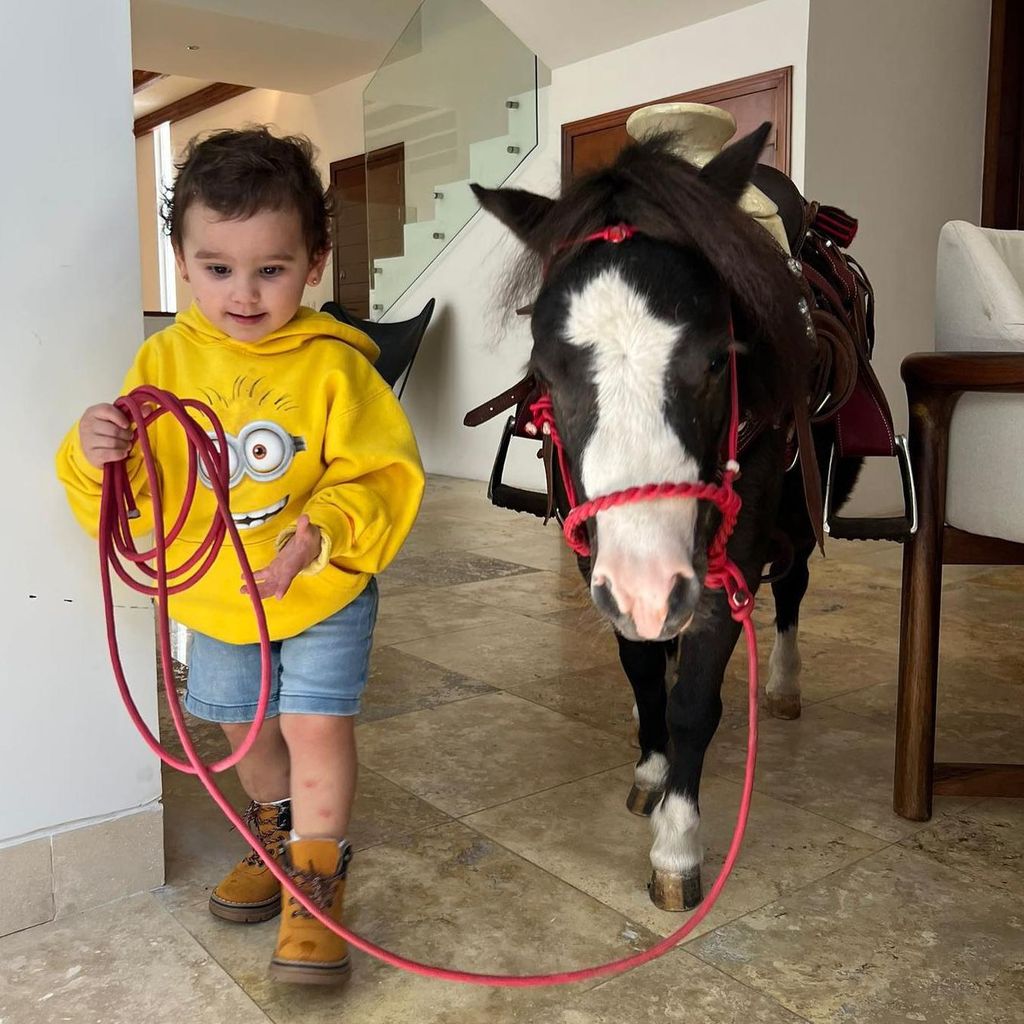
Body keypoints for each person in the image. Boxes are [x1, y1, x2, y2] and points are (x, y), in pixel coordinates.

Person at [56, 126, 425, 987]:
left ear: (316, 262)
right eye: (218, 268)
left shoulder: (340, 370)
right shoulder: (164, 361)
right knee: (240, 723)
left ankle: (316, 877)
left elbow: (381, 470)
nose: (246, 293)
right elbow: (137, 494)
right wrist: (93, 451)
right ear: (182, 263)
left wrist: (320, 532)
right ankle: (278, 830)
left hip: (323, 585)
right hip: (219, 594)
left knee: (314, 720)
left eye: (272, 268)